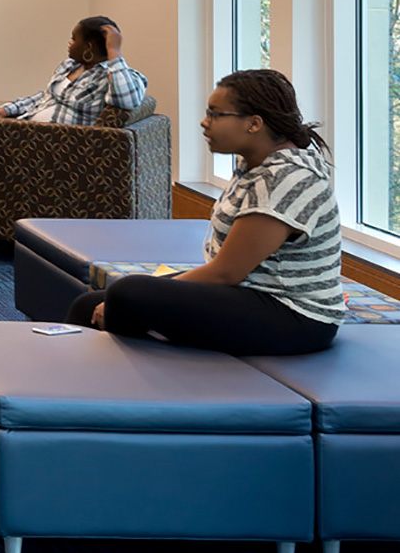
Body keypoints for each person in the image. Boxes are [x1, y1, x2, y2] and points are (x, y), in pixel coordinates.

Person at [66, 69, 342, 355]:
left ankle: (136, 381)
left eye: (215, 114)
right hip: (251, 293)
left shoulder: (284, 180)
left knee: (127, 295)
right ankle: (72, 380)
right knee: (91, 303)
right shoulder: (257, 164)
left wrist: (141, 296)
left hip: (294, 315)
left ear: (254, 124)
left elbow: (225, 273)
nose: (204, 122)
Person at [0, 15, 147, 176]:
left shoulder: (113, 76)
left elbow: (127, 100)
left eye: (74, 39)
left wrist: (115, 52)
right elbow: (44, 97)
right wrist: (6, 109)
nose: (69, 43)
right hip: (29, 130)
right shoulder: (70, 65)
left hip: (55, 143)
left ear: (89, 47)